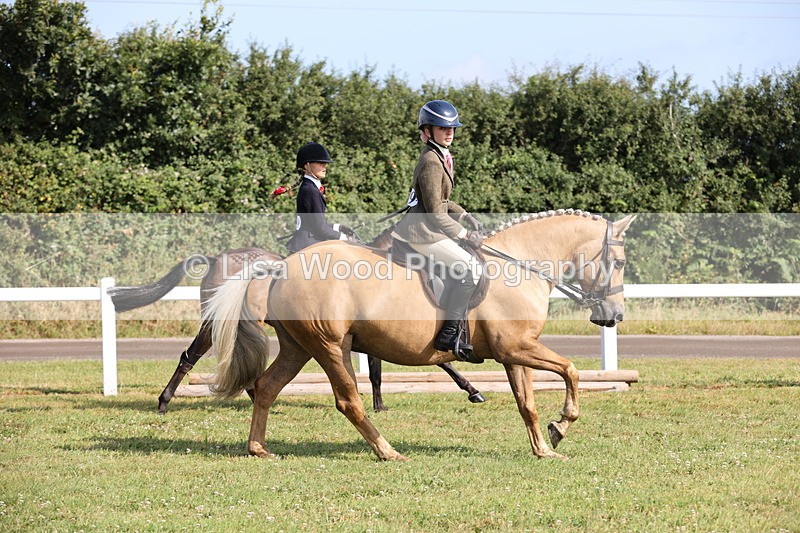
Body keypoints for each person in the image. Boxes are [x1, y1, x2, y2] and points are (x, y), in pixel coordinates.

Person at [392, 100, 484, 362]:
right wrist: (464, 234)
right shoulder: (431, 161)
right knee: (471, 269)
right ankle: (449, 333)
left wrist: (465, 215)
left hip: (428, 226)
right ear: (426, 131)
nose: (449, 132)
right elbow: (434, 213)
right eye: (442, 128)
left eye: (452, 128)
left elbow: (442, 200)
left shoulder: (440, 155)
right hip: (422, 232)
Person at [286, 142, 355, 253]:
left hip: (307, 241)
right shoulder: (310, 190)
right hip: (308, 244)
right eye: (320, 163)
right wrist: (344, 238)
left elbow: (316, 223)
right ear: (307, 165)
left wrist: (339, 227)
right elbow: (320, 229)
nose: (324, 166)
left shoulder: (309, 187)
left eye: (325, 163)